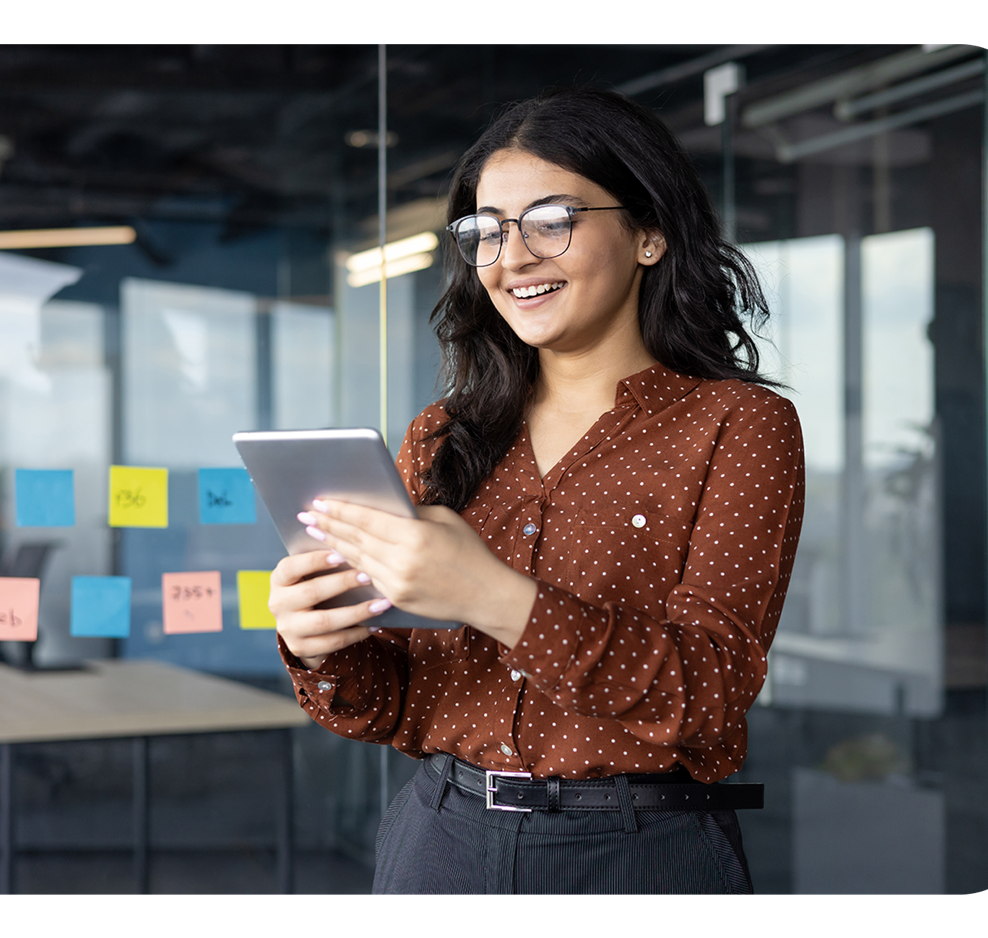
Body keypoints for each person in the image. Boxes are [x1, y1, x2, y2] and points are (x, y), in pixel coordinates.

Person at [269, 86, 805, 895]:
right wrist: (320, 646)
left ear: (650, 233)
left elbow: (711, 697)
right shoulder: (443, 436)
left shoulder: (737, 425)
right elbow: (395, 705)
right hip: (438, 840)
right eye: (485, 232)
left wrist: (492, 595)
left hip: (640, 851)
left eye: (552, 220)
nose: (511, 258)